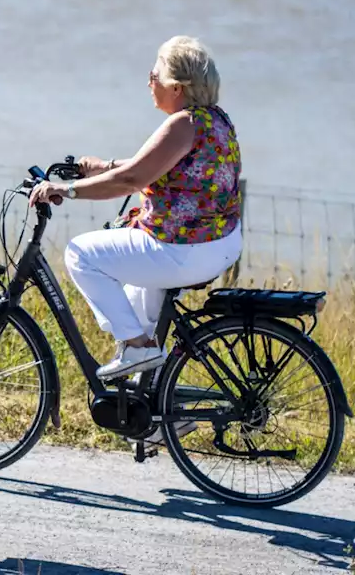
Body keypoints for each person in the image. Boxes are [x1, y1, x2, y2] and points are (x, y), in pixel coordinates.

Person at [29, 35, 243, 385]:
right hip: (219, 245)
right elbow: (159, 166)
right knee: (136, 304)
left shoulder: (182, 124)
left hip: (182, 250)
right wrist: (103, 166)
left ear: (177, 87)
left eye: (154, 75)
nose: (149, 81)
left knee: (81, 254)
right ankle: (156, 413)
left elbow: (131, 180)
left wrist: (64, 189)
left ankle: (136, 347)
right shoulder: (215, 121)